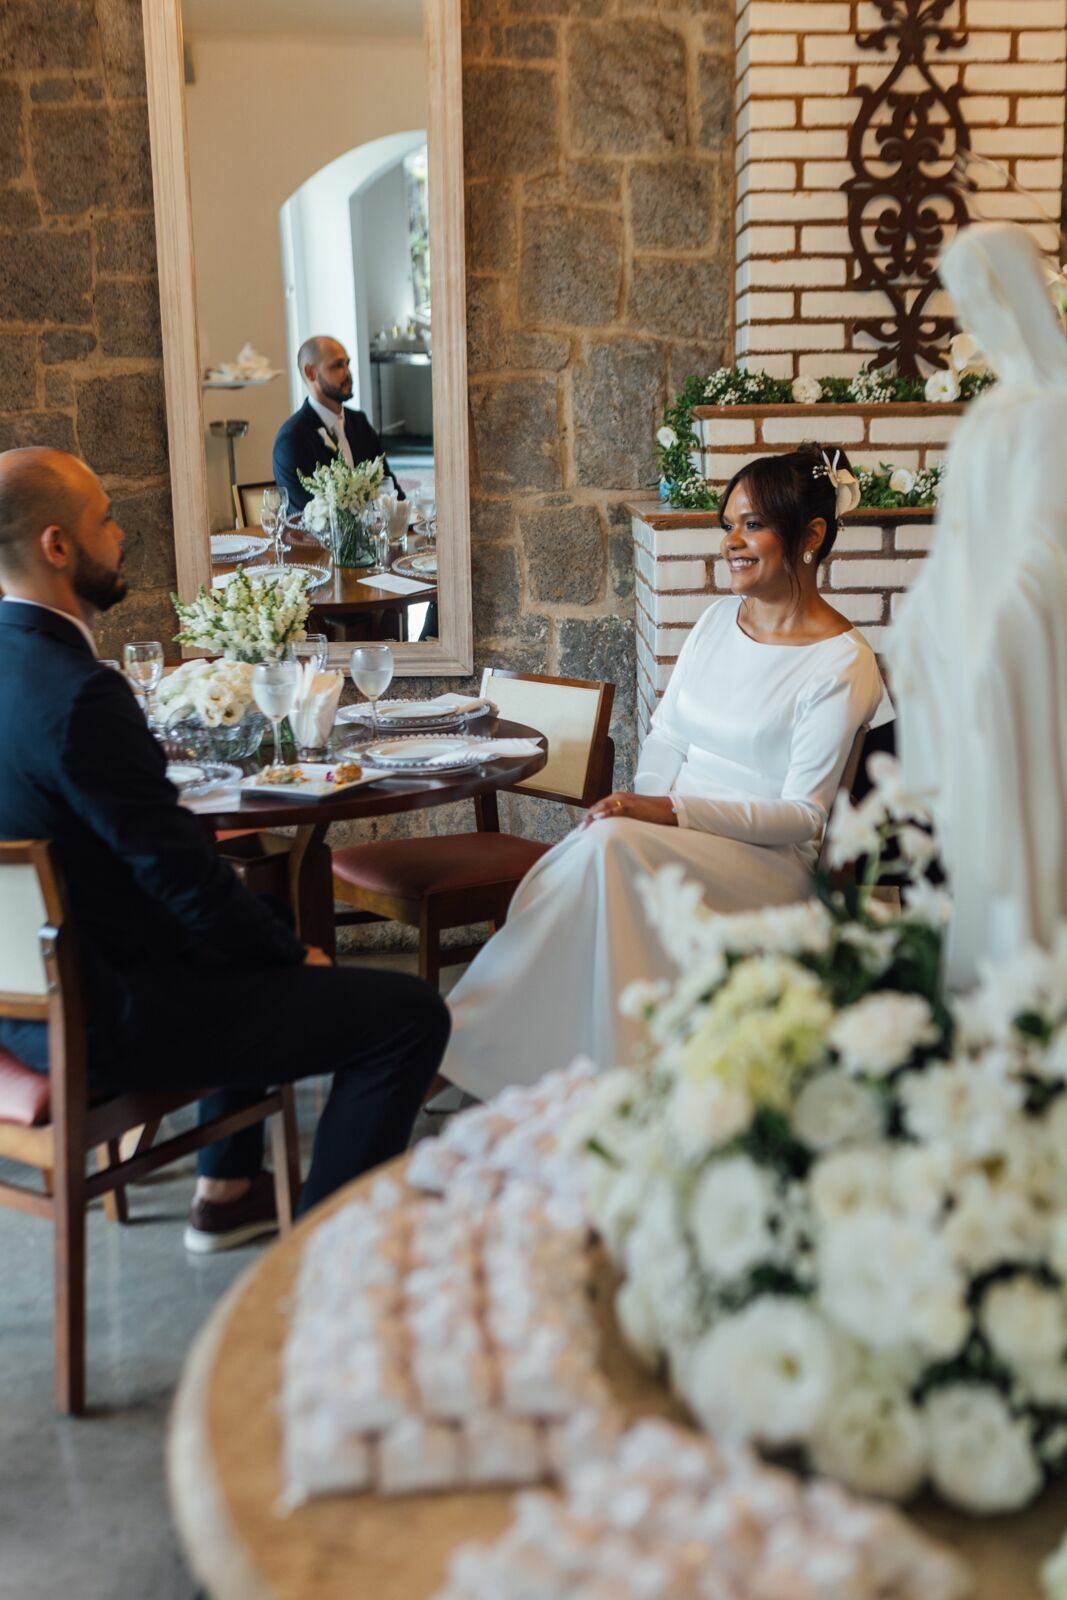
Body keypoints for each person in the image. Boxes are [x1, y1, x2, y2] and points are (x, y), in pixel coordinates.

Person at [0, 447, 449, 1250]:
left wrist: (264, 938)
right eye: (106, 519)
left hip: (22, 1011)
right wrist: (289, 956)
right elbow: (175, 874)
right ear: (57, 545)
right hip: (109, 1020)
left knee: (254, 913)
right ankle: (318, 1263)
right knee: (407, 1016)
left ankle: (229, 1189)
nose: (122, 532)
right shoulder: (78, 694)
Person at [439, 445, 887, 1100]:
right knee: (606, 844)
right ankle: (544, 1066)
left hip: (765, 863)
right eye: (727, 523)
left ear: (811, 536)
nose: (731, 541)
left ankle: (478, 1048)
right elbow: (669, 734)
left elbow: (805, 817)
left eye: (752, 524)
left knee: (609, 847)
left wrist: (662, 815)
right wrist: (639, 805)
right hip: (663, 840)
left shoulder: (842, 663)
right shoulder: (713, 622)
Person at [272, 335, 404, 513]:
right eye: (337, 365)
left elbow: (388, 486)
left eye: (347, 364)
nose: (347, 372)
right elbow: (308, 516)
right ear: (310, 372)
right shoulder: (292, 439)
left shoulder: (359, 422)